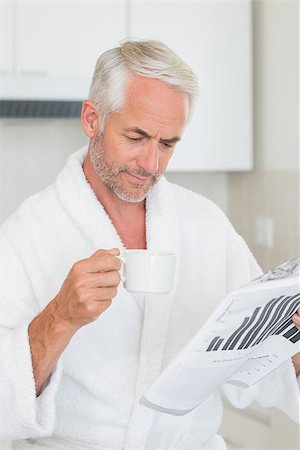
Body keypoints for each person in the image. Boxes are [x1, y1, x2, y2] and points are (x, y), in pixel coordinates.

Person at [0, 39, 299, 450]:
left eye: (168, 143)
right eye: (137, 136)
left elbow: (260, 361)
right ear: (92, 119)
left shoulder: (205, 225)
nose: (151, 164)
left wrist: (294, 341)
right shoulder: (27, 235)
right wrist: (60, 318)